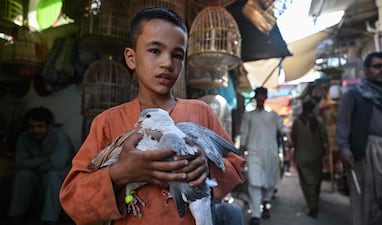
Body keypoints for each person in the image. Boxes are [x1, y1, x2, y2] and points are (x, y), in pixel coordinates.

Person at [59, 7, 246, 225]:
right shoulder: (107, 122)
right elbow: (73, 200)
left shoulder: (200, 112)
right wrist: (119, 174)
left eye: (177, 55)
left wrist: (207, 167)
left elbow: (234, 165)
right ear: (131, 58)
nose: (167, 63)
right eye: (155, 51)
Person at [336, 51, 382, 225]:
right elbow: (343, 125)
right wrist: (345, 150)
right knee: (368, 198)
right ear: (366, 70)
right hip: (368, 150)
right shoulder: (355, 95)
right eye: (377, 66)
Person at [8, 106, 75, 225]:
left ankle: (50, 219)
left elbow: (57, 165)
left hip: (61, 179)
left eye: (40, 126)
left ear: (49, 126)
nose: (35, 130)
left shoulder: (60, 137)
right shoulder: (24, 138)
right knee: (23, 175)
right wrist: (45, 160)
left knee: (52, 176)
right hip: (38, 176)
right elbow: (21, 163)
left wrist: (33, 162)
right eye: (31, 127)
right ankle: (15, 216)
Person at [239, 87, 286, 225]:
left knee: (269, 181)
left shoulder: (273, 115)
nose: (260, 99)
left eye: (262, 96)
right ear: (255, 98)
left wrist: (287, 138)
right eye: (258, 96)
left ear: (265, 98)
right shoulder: (249, 116)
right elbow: (244, 134)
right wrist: (241, 152)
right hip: (253, 153)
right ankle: (255, 215)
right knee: (254, 182)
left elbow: (283, 130)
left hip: (271, 153)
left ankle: (266, 203)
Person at [290, 101, 328, 218]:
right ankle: (314, 202)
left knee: (307, 183)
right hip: (317, 156)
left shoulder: (297, 122)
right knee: (316, 180)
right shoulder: (319, 121)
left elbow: (293, 138)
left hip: (303, 157)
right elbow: (325, 139)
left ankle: (312, 206)